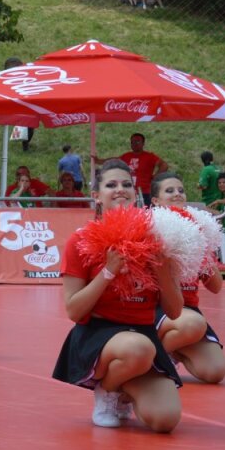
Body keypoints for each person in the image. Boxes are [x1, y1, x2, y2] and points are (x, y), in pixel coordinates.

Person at [52, 159, 182, 432]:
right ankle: (108, 391)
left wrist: (162, 269)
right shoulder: (80, 240)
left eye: (127, 184)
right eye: (111, 185)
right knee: (137, 349)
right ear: (96, 195)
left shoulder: (158, 238)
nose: (120, 190)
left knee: (165, 420)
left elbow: (174, 312)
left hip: (143, 336)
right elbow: (74, 311)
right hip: (99, 335)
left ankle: (125, 386)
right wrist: (108, 272)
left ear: (137, 193)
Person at [150, 172, 225, 384]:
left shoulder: (196, 230)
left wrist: (204, 249)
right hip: (156, 309)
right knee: (193, 324)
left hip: (188, 311)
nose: (177, 194)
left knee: (215, 371)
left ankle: (171, 350)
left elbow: (216, 287)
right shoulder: (147, 228)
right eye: (170, 191)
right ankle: (151, 362)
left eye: (181, 190)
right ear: (155, 200)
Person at [92, 133, 166, 202]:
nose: (134, 144)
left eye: (137, 141)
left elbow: (164, 165)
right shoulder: (126, 156)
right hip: (128, 191)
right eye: (132, 142)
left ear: (143, 143)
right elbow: (114, 160)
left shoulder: (150, 156)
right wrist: (99, 161)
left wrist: (155, 177)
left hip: (145, 191)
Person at [3, 58, 34, 150]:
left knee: (30, 127)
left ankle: (25, 143)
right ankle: (25, 144)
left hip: (27, 106)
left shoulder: (27, 79)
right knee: (27, 126)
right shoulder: (7, 81)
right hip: (18, 106)